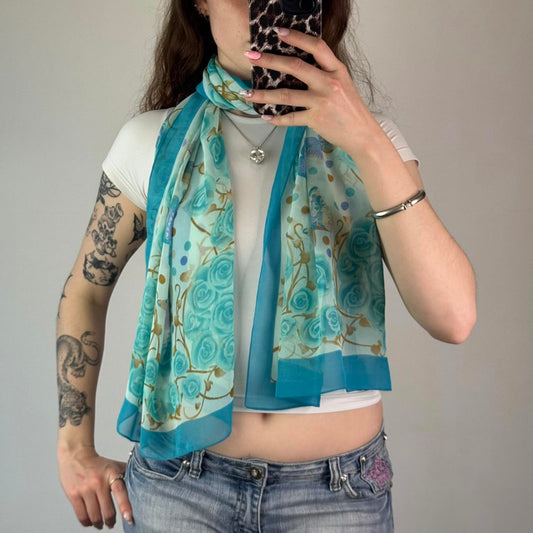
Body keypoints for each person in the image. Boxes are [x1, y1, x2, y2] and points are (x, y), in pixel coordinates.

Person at [56, 1, 477, 531]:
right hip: (179, 487)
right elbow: (87, 288)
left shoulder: (373, 144)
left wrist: (366, 139)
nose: (265, 10)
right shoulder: (153, 141)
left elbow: (453, 318)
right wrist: (73, 448)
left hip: (337, 495)